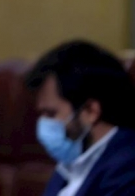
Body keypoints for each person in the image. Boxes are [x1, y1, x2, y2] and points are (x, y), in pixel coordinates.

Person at [24, 39, 135, 196]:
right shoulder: (72, 163)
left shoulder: (127, 170)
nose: (43, 123)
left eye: (51, 114)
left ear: (91, 111)